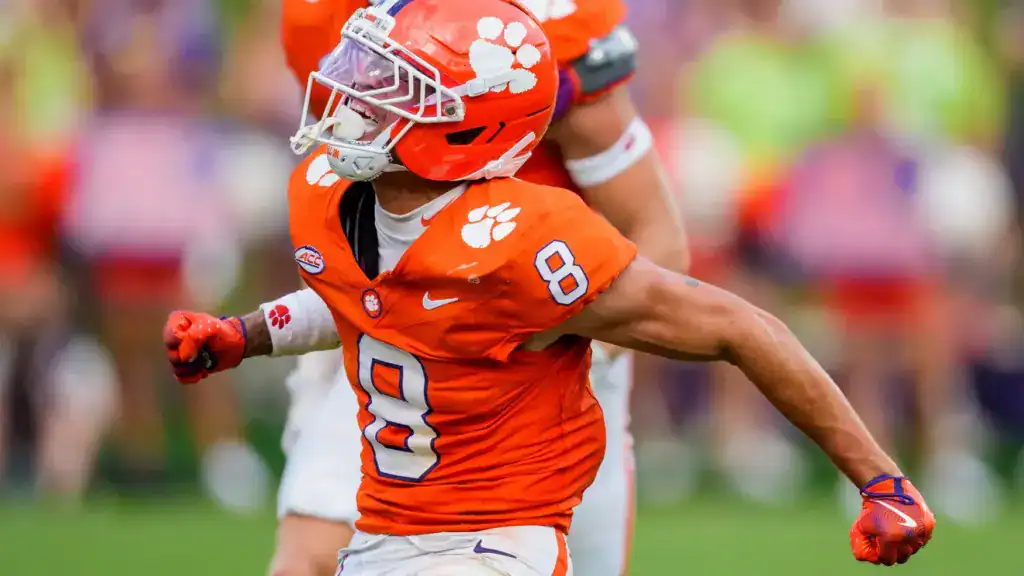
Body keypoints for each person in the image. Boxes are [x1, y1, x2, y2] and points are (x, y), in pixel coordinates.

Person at [164, 1, 934, 574]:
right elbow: (360, 294)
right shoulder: (328, 189)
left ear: (464, 125)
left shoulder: (528, 245)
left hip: (491, 543)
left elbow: (737, 325)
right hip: (384, 532)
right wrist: (243, 335)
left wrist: (881, 480)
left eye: (391, 87)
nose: (356, 98)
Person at [274, 0, 688, 573]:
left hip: (539, 355)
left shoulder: (533, 30)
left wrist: (567, 362)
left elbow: (658, 236)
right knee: (311, 553)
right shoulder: (325, 15)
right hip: (393, 333)